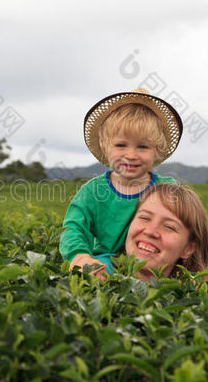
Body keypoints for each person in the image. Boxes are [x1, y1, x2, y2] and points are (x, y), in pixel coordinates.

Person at [60, 88, 183, 275]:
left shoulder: (166, 188)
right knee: (99, 274)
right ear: (105, 146)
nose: (131, 155)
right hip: (108, 259)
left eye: (142, 147)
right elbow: (74, 227)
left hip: (153, 259)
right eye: (121, 145)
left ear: (157, 150)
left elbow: (185, 228)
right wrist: (79, 256)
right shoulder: (93, 191)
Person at [95, 182, 208, 282]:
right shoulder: (97, 271)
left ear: (189, 248)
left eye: (169, 227)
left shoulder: (195, 293)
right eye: (144, 218)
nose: (150, 232)